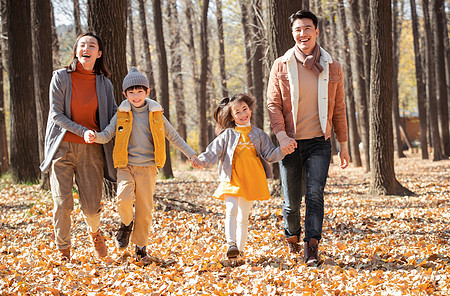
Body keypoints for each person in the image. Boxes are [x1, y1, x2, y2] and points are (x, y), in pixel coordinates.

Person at [84, 67, 200, 264]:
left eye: (139, 91)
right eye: (131, 92)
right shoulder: (121, 113)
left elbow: (172, 136)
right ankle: (126, 225)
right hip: (125, 165)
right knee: (123, 198)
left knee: (145, 210)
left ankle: (140, 250)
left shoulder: (156, 114)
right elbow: (107, 134)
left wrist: (191, 154)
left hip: (148, 168)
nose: (135, 96)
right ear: (125, 94)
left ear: (147, 92)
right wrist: (95, 136)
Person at [266, 10, 350, 265]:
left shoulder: (332, 66)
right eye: (297, 30)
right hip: (290, 143)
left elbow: (339, 108)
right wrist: (281, 136)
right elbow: (273, 104)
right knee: (291, 201)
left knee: (315, 195)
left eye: (306, 28)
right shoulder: (281, 64)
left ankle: (311, 246)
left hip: (319, 143)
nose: (302, 34)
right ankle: (292, 237)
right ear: (293, 34)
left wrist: (343, 146)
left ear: (316, 31)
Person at [40, 32, 117, 260]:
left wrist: (104, 135)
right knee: (63, 204)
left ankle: (95, 232)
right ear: (76, 50)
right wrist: (83, 131)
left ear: (98, 53)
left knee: (92, 207)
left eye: (92, 45)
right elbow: (56, 114)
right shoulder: (61, 77)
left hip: (92, 150)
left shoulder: (104, 84)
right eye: (82, 44)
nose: (87, 47)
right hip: (62, 148)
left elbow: (114, 113)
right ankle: (64, 251)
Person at [195, 94, 290, 259]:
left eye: (244, 109)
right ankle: (231, 244)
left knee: (243, 217)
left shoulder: (259, 134)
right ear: (232, 116)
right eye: (237, 112)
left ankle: (239, 251)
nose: (242, 114)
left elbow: (270, 154)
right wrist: (201, 161)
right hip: (231, 177)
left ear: (250, 109)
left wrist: (283, 150)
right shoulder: (227, 135)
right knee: (231, 209)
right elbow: (213, 151)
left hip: (251, 179)